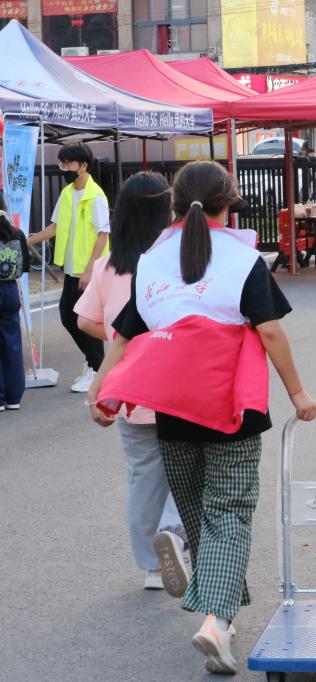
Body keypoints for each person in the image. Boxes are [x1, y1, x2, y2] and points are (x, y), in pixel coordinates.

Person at [86, 161, 316, 675]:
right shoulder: (242, 259)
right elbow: (270, 331)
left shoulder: (151, 261)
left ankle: (223, 617)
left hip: (172, 409)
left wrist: (102, 391)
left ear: (174, 205)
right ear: (227, 205)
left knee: (197, 515)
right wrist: (298, 393)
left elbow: (125, 335)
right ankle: (216, 621)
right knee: (228, 514)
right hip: (232, 408)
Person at [73, 172, 187, 592]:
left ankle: (152, 568)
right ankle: (172, 534)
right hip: (178, 386)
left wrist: (119, 337)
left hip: (128, 389)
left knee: (143, 476)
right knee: (191, 469)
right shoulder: (176, 260)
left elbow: (84, 320)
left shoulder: (108, 265)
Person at [26, 142, 109, 393]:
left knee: (82, 319)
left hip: (88, 271)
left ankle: (97, 369)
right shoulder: (67, 193)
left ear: (83, 166)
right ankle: (94, 364)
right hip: (73, 269)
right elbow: (55, 227)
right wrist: (27, 240)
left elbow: (103, 234)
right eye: (61, 163)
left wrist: (90, 270)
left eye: (67, 163)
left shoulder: (96, 196)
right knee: (69, 316)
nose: (63, 168)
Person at [0, 200, 29, 412]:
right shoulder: (16, 233)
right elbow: (24, 266)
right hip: (10, 290)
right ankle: (14, 396)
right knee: (12, 343)